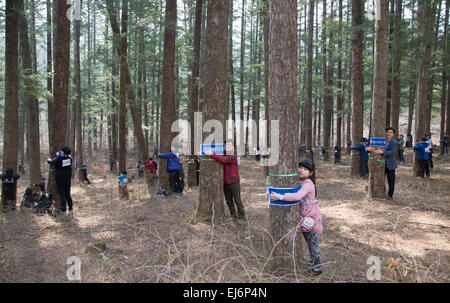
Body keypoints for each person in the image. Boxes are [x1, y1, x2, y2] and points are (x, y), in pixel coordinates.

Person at [269, 159, 323, 276]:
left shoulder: (308, 183)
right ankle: (313, 263)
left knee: (312, 242)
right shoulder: (296, 181)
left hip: (310, 217)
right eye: (300, 168)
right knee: (309, 240)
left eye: (305, 169)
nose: (301, 170)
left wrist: (281, 197)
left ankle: (317, 266)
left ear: (311, 173)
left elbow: (298, 196)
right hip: (302, 216)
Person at [206, 139, 246, 224]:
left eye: (229, 145)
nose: (227, 147)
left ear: (233, 147)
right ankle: (233, 215)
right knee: (229, 200)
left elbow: (224, 160)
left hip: (234, 182)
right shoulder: (223, 154)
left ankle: (242, 217)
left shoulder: (233, 156)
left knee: (237, 200)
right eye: (226, 146)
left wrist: (212, 154)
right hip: (225, 182)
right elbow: (219, 158)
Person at [368, 127, 398, 199]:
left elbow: (392, 152)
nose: (389, 134)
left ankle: (390, 195)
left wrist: (382, 152)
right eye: (387, 132)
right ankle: (379, 193)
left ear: (393, 134)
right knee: (380, 179)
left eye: (391, 133)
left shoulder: (394, 142)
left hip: (390, 164)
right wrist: (369, 149)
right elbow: (372, 149)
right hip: (380, 164)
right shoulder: (381, 141)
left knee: (391, 181)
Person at [47, 146, 74, 216]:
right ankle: (71, 209)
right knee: (67, 194)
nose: (60, 151)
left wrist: (48, 159)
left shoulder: (59, 158)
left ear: (63, 152)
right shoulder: (70, 158)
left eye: (61, 151)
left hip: (60, 178)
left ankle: (63, 211)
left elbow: (50, 161)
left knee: (62, 194)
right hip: (67, 178)